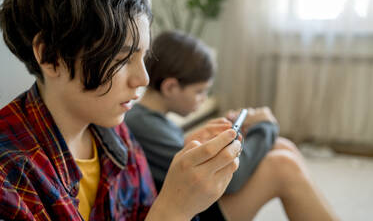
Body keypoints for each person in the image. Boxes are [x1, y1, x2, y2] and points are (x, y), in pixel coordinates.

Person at [0, 0, 243, 220]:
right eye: (121, 59)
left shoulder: (118, 136)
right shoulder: (7, 178)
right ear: (51, 56)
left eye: (143, 57)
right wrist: (173, 210)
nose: (144, 79)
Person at [125, 30, 340, 221]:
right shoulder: (142, 124)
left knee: (282, 146)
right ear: (170, 87)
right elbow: (233, 180)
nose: (204, 98)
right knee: (283, 166)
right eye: (199, 91)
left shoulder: (151, 120)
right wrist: (264, 126)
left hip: (198, 204)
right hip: (195, 212)